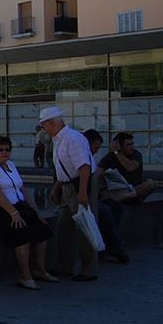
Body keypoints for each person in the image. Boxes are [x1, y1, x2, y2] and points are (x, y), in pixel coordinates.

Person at [0, 135, 56, 290]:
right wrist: (13, 213)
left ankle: (40, 270)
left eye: (7, 149)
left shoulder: (10, 165)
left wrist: (35, 210)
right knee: (21, 233)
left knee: (42, 229)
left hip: (17, 206)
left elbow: (21, 189)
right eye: (0, 149)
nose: (4, 152)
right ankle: (25, 276)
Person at [41, 106, 100, 282]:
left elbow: (84, 166)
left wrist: (82, 192)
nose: (43, 129)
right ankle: (65, 265)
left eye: (43, 125)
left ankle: (89, 269)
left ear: (50, 123)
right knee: (65, 227)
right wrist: (57, 188)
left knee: (85, 226)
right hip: (68, 186)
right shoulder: (59, 139)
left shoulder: (73, 138)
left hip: (79, 185)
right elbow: (65, 167)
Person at [83, 129, 129, 264]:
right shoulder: (81, 156)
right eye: (96, 148)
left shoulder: (90, 157)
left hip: (94, 196)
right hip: (84, 198)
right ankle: (115, 245)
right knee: (105, 211)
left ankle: (110, 242)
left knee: (117, 207)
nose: (97, 151)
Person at [97, 132, 155, 202]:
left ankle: (126, 196)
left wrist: (118, 153)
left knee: (149, 183)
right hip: (117, 191)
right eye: (128, 145)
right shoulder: (109, 157)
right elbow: (99, 171)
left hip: (134, 190)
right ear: (119, 146)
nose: (132, 147)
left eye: (132, 144)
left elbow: (131, 167)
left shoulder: (136, 154)